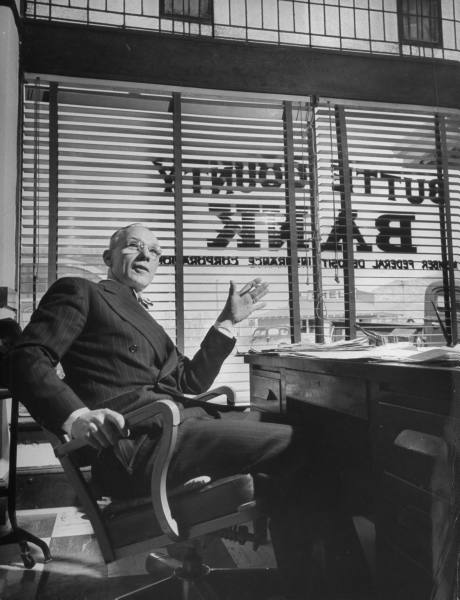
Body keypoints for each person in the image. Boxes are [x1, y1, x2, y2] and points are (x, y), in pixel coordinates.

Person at [8, 223, 349, 600]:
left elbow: (187, 383)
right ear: (108, 257)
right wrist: (77, 417)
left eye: (155, 253)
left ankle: (313, 585)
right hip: (139, 445)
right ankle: (334, 588)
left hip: (176, 428)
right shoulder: (81, 291)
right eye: (134, 247)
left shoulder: (147, 320)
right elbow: (25, 358)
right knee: (299, 445)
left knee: (305, 431)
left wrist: (226, 322)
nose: (146, 257)